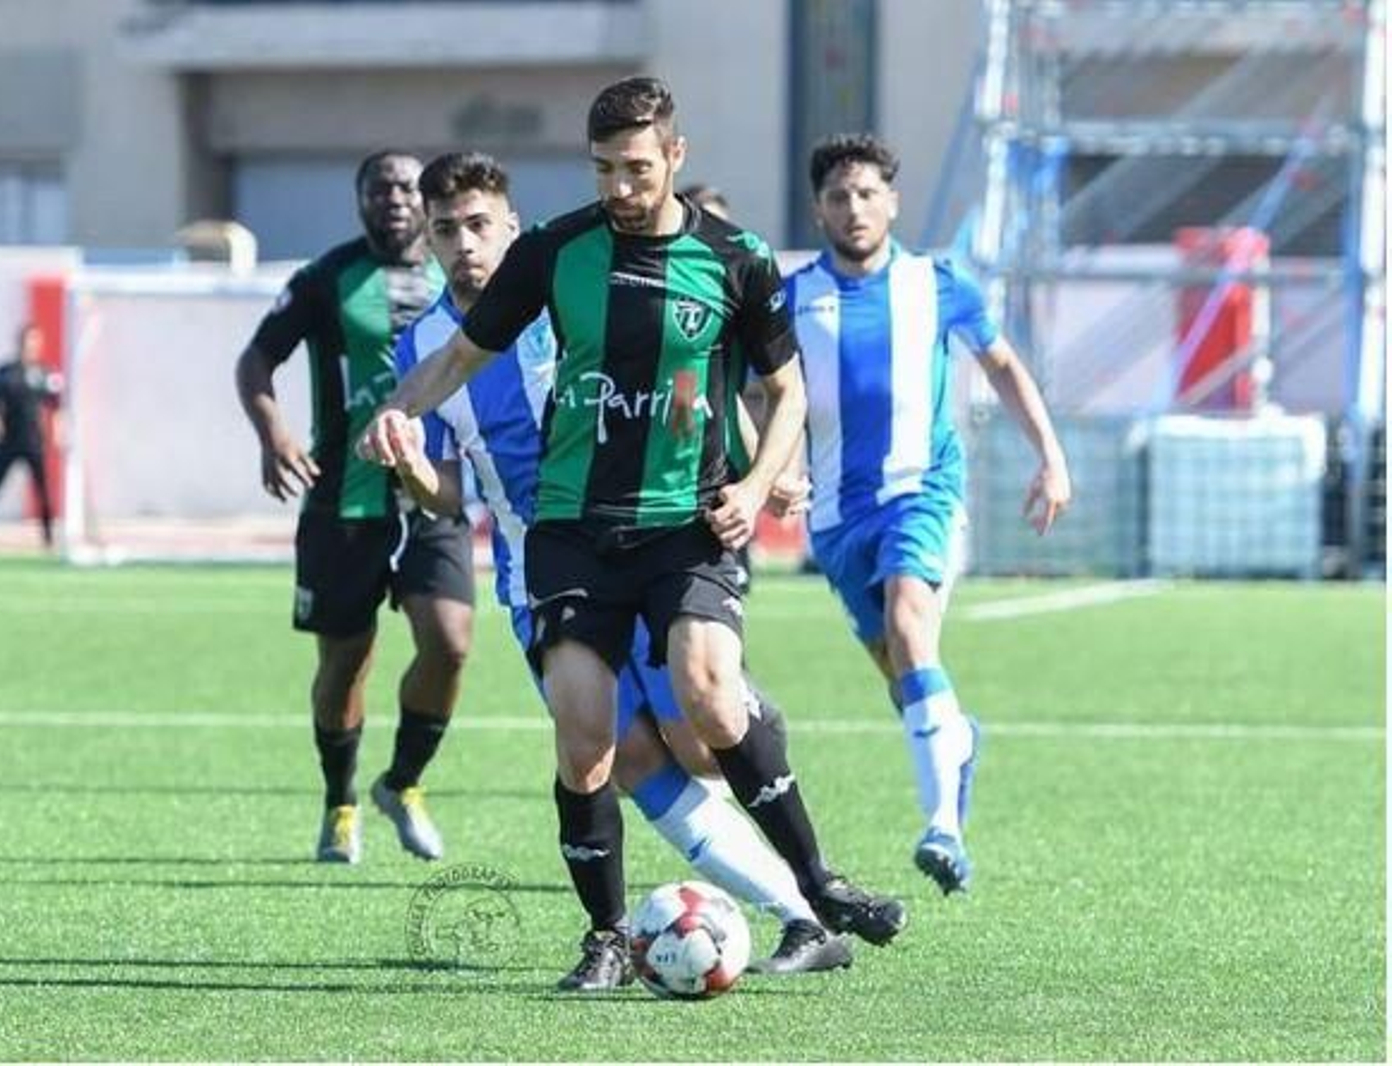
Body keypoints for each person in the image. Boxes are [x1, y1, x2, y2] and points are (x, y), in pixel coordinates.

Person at [362, 78, 905, 992]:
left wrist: (763, 479)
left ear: (676, 158)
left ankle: (816, 887)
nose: (619, 187)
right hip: (568, 539)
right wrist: (398, 417)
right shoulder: (555, 257)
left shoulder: (735, 258)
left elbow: (775, 387)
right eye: (604, 169)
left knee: (707, 699)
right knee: (593, 742)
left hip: (684, 525)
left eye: (637, 169)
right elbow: (458, 362)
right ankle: (610, 935)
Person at [787, 133, 1072, 894]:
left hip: (923, 491)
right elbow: (763, 397)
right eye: (840, 196)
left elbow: (1003, 365)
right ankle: (958, 740)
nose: (855, 208)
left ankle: (944, 827)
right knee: (899, 668)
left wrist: (1051, 455)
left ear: (893, 201)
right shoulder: (793, 298)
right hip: (836, 519)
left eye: (868, 193)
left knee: (913, 631)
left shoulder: (936, 284)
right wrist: (771, 471)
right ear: (819, 208)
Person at [235, 150, 475, 865]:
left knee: (451, 642)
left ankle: (402, 782)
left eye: (407, 186)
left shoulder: (457, 271)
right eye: (380, 188)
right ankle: (340, 802)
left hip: (433, 493)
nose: (395, 198)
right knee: (347, 661)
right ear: (360, 200)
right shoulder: (323, 280)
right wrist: (274, 434)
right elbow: (256, 360)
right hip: (344, 497)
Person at [0, 323, 61, 549]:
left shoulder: (45, 373)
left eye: (35, 341)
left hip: (34, 441)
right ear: (19, 343)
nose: (31, 346)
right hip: (8, 441)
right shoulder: (5, 371)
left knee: (43, 491)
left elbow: (56, 405)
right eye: (27, 341)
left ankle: (48, 539)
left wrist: (56, 431)